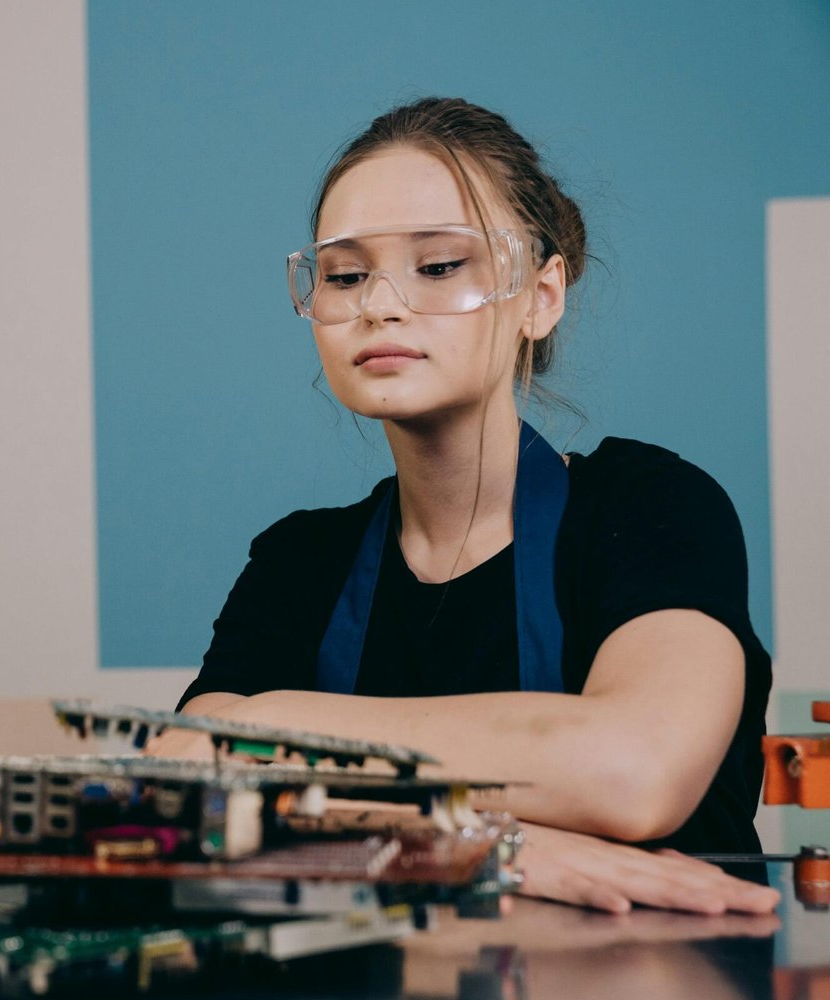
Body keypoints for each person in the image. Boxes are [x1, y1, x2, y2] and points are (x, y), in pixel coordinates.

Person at [149, 99, 779, 915]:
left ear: (541, 296)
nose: (380, 302)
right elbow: (178, 788)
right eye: (345, 274)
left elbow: (633, 773)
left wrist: (268, 730)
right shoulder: (299, 563)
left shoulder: (649, 505)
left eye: (440, 266)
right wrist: (479, 843)